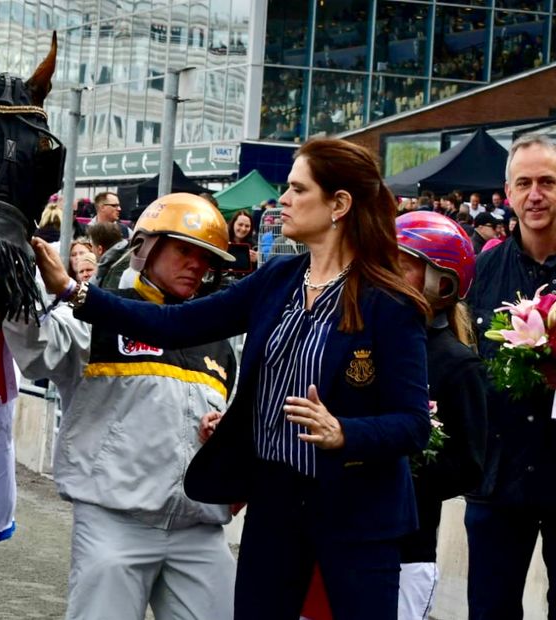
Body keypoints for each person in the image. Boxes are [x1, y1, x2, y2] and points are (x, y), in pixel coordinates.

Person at [33, 138, 431, 619]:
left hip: (357, 512)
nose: (281, 199)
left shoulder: (390, 302)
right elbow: (174, 323)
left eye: (297, 189)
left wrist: (344, 432)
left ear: (338, 205)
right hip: (276, 503)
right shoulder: (278, 279)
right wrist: (75, 292)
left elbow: (413, 424)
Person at [7, 193, 238, 620]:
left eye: (205, 257)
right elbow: (36, 349)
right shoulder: (97, 314)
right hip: (116, 524)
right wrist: (13, 274)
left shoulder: (219, 343)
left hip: (200, 529)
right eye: (184, 249)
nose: (196, 264)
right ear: (145, 247)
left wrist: (226, 434)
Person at [465, 133, 556, 620]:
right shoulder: (480, 273)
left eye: (547, 182)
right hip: (497, 479)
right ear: (508, 193)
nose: (535, 194)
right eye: (525, 183)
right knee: (490, 610)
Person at [394, 212, 487, 620]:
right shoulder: (369, 339)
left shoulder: (457, 364)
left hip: (407, 549)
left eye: (405, 264)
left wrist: (398, 463)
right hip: (344, 536)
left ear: (442, 282)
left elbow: (469, 466)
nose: (388, 272)